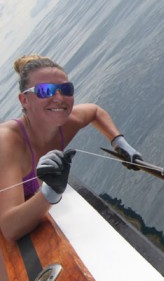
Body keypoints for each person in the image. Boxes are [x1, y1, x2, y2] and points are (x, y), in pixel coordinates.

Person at [0, 54, 142, 244]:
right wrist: (50, 191)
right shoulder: (7, 142)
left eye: (65, 89)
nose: (59, 98)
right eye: (45, 91)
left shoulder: (67, 123)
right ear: (24, 100)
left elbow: (94, 111)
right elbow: (10, 228)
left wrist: (118, 142)